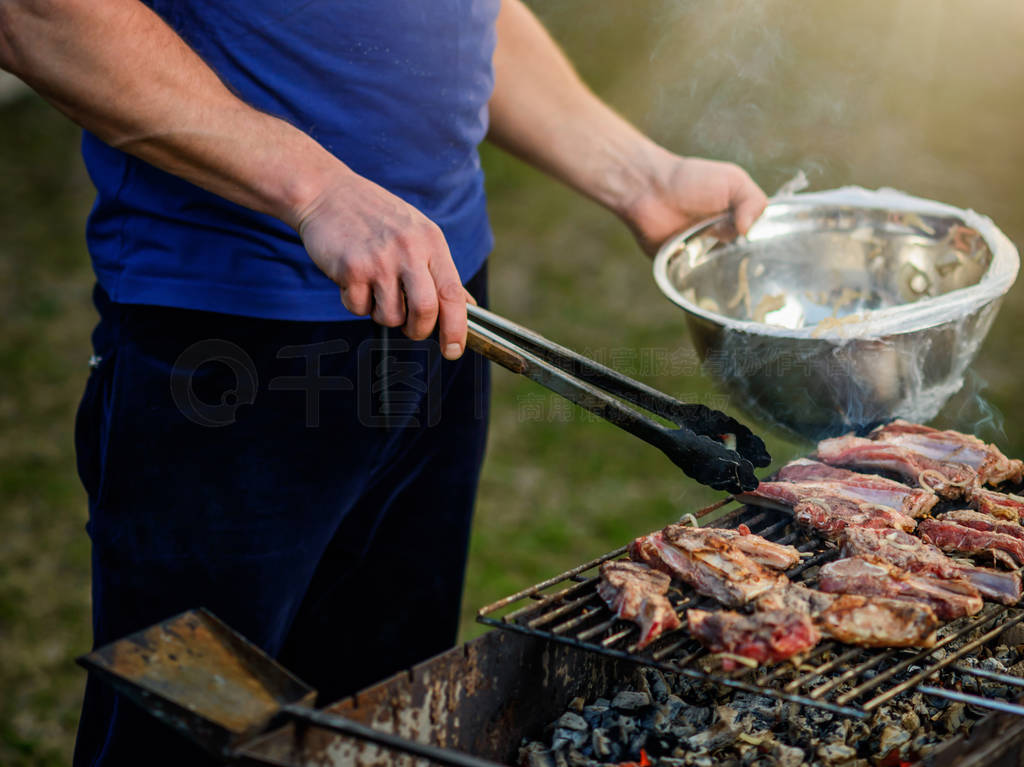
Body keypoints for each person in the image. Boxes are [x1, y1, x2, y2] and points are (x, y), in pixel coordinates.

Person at [0, 1, 767, 764]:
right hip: (225, 345)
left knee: (380, 723)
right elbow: (36, 15)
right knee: (189, 734)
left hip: (440, 310)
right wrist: (317, 189)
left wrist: (640, 176)